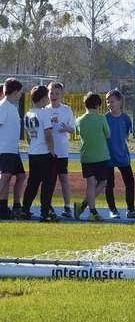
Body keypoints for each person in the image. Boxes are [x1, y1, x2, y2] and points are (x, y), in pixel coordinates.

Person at [104, 89, 135, 219]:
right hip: (108, 157)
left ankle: (131, 210)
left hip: (122, 156)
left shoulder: (126, 118)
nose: (110, 104)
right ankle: (113, 210)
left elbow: (126, 135)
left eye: (112, 101)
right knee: (109, 184)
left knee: (129, 183)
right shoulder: (104, 118)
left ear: (120, 102)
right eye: (108, 102)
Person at [22, 86, 58, 222]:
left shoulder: (28, 113)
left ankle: (25, 210)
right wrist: (52, 151)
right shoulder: (45, 113)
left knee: (32, 183)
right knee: (47, 184)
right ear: (44, 98)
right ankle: (45, 213)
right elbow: (48, 135)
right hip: (44, 153)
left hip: (33, 152)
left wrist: (34, 145)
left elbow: (28, 136)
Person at [74, 92, 110, 221]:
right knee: (102, 182)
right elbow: (108, 135)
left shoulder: (79, 120)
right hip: (100, 156)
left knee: (90, 184)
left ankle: (89, 209)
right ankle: (88, 208)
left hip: (86, 157)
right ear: (97, 105)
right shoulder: (101, 118)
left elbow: (75, 132)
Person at [46, 82, 75, 218]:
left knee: (63, 178)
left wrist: (66, 128)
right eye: (51, 92)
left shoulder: (66, 110)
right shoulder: (45, 110)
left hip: (62, 150)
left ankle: (67, 206)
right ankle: (48, 205)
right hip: (48, 150)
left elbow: (73, 129)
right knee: (49, 180)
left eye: (57, 93)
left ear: (62, 95)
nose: (54, 95)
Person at [0, 78, 26, 219]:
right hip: (5, 149)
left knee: (20, 176)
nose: (21, 95)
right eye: (20, 92)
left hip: (13, 149)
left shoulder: (12, 106)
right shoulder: (3, 106)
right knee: (5, 177)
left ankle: (9, 206)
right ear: (15, 92)